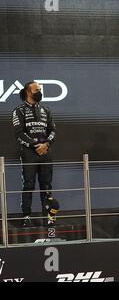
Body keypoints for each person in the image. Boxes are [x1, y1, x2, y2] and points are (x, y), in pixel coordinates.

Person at [12, 81, 59, 227]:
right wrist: (35, 145)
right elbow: (19, 134)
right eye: (36, 90)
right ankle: (26, 217)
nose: (39, 92)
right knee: (28, 184)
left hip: (45, 152)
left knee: (46, 185)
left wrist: (46, 144)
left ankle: (49, 218)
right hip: (28, 153)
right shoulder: (18, 110)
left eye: (40, 89)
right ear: (28, 92)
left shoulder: (46, 109)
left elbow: (53, 131)